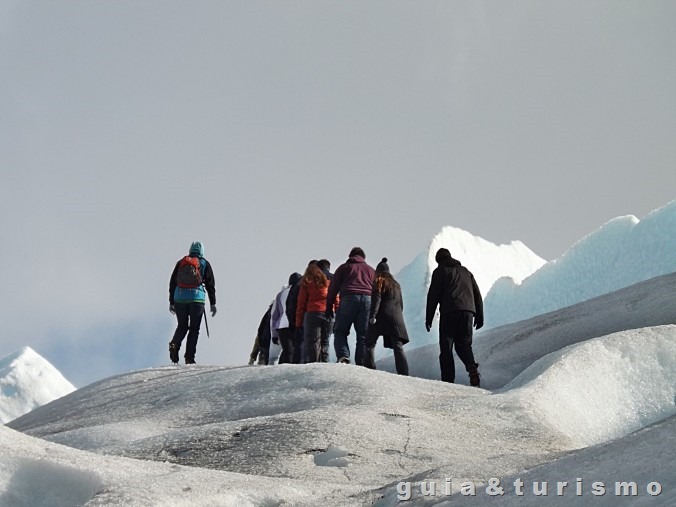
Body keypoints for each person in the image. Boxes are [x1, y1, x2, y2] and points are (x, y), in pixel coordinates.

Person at [425, 248, 483, 386]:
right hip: (468, 312)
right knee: (464, 345)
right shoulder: (466, 272)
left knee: (446, 348)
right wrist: (479, 315)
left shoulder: (440, 271)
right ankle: (472, 367)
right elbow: (477, 294)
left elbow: (433, 295)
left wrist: (429, 318)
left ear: (439, 260)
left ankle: (448, 382)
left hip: (450, 312)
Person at [168, 241, 216, 365]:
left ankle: (175, 343)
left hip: (179, 299)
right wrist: (213, 303)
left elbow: (172, 283)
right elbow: (210, 285)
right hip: (197, 299)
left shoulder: (181, 263)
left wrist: (171, 302)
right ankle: (189, 358)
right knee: (194, 329)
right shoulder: (204, 263)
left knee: (182, 326)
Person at [326, 247, 375, 365]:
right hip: (367, 301)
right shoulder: (371, 270)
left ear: (350, 256)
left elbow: (333, 288)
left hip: (348, 299)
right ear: (363, 257)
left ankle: (343, 356)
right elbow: (377, 290)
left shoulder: (344, 268)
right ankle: (361, 362)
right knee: (363, 335)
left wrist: (329, 307)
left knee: (340, 331)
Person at [364, 258, 409, 375]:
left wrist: (373, 316)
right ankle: (403, 373)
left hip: (381, 316)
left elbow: (376, 300)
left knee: (370, 342)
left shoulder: (379, 281)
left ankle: (370, 369)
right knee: (397, 346)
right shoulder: (396, 285)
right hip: (396, 317)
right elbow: (401, 303)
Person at [295, 263, 338, 363]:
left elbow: (301, 305)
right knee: (325, 341)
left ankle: (315, 363)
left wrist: (298, 324)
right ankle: (325, 362)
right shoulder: (328, 283)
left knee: (314, 341)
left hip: (313, 314)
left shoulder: (306, 283)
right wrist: (336, 312)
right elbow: (336, 299)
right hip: (328, 313)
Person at [271, 273, 302, 364]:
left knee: (288, 351)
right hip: (297, 324)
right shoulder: (301, 290)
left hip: (282, 326)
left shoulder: (280, 294)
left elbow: (274, 315)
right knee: (297, 351)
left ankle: (283, 372)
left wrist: (274, 335)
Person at [316, 259, 334, 362]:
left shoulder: (313, 279)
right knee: (326, 339)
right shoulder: (334, 277)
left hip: (314, 311)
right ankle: (325, 360)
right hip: (330, 311)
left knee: (316, 339)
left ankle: (317, 361)